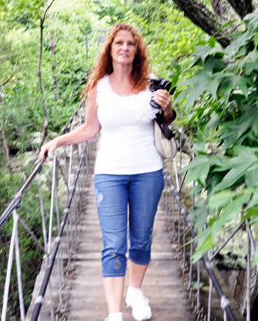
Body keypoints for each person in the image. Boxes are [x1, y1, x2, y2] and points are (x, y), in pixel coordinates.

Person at [40, 23, 175, 321]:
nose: (125, 48)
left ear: (136, 50)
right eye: (119, 44)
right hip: (109, 174)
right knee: (114, 244)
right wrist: (57, 141)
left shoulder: (152, 83)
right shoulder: (99, 87)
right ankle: (114, 314)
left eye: (130, 43)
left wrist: (167, 108)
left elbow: (167, 121)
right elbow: (90, 129)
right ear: (110, 50)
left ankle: (135, 292)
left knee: (141, 239)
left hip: (148, 171)